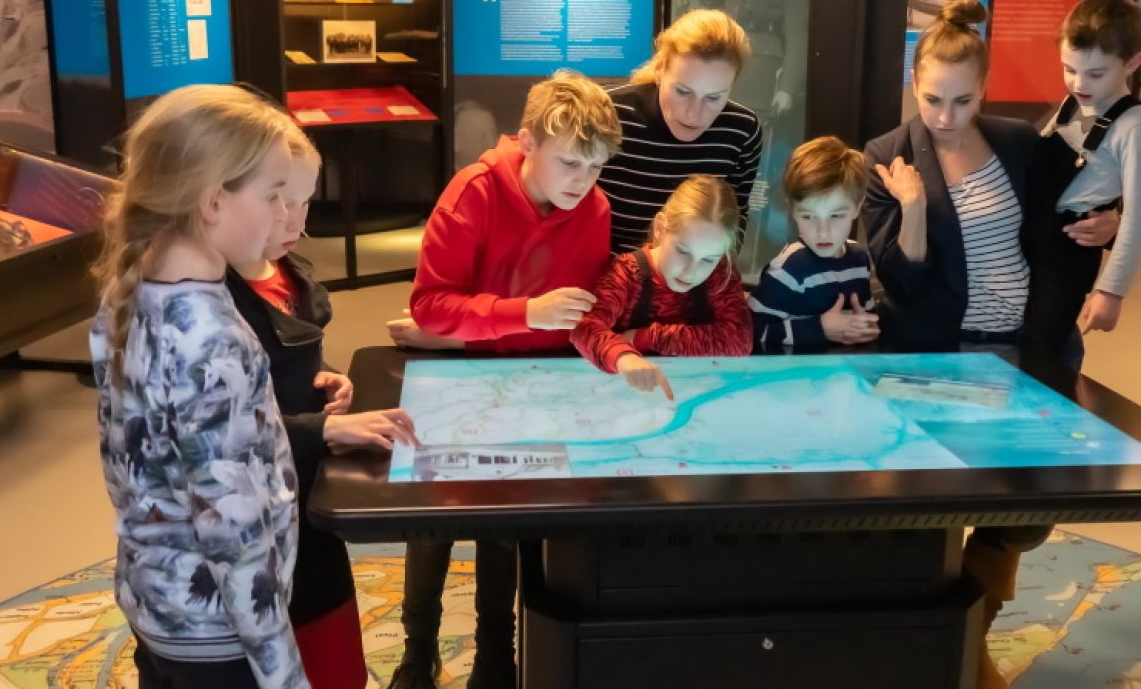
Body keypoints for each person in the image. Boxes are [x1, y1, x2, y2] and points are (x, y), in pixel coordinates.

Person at [858, 0, 1118, 689]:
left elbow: (1080, 203)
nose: (946, 116)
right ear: (913, 86)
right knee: (933, 504)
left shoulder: (1017, 143)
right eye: (933, 100)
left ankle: (973, 625)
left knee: (1030, 500)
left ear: (985, 87)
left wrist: (1111, 221)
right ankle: (948, 646)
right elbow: (899, 281)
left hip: (1025, 347)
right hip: (937, 353)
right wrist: (912, 207)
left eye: (962, 100)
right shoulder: (885, 156)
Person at [386, 70, 623, 689]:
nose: (584, 182)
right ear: (527, 142)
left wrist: (487, 324)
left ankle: (496, 655)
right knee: (431, 522)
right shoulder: (472, 194)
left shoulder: (593, 210)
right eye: (571, 163)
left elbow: (569, 321)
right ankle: (418, 650)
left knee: (504, 525)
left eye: (596, 167)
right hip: (458, 373)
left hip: (528, 375)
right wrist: (518, 315)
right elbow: (430, 304)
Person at [90, 84, 313, 688]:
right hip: (218, 636)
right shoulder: (212, 338)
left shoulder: (129, 291)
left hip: (154, 601)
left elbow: (127, 462)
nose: (281, 214)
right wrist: (283, 671)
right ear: (214, 202)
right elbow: (233, 531)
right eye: (272, 195)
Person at [224, 120, 418, 689]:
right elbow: (223, 432)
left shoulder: (286, 273)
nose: (295, 221)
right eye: (278, 202)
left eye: (305, 203)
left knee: (329, 647)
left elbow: (295, 367)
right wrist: (324, 432)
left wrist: (327, 378)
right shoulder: (210, 303)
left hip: (306, 501)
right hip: (254, 511)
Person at [1020, 0, 1141, 387]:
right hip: (1034, 237)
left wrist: (1111, 291)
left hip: (1069, 253)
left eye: (1095, 74)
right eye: (1069, 69)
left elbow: (1139, 216)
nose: (1079, 83)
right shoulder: (1072, 103)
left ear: (1132, 63)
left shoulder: (1136, 128)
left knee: (1042, 352)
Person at [599, 9, 763, 255]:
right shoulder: (606, 113)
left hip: (691, 280)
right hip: (604, 282)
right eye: (683, 92)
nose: (694, 113)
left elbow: (733, 222)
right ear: (660, 69)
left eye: (714, 97)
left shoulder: (742, 131)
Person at [572, 175, 753, 397]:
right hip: (626, 392)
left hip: (691, 391)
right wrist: (623, 357)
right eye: (683, 251)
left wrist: (647, 337)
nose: (691, 270)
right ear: (660, 228)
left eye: (708, 259)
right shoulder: (627, 273)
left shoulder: (720, 275)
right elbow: (584, 328)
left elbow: (739, 341)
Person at [748, 135, 879, 352]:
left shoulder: (859, 259)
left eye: (836, 216)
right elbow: (749, 330)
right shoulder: (789, 268)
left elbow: (867, 319)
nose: (823, 231)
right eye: (809, 216)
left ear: (857, 207)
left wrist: (866, 325)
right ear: (793, 210)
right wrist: (820, 328)